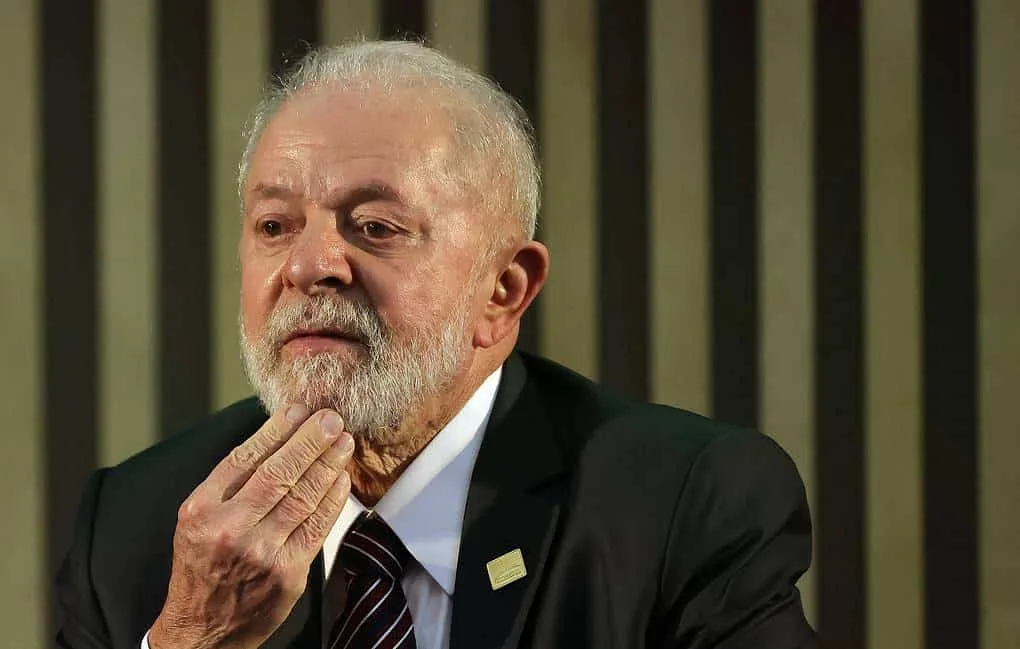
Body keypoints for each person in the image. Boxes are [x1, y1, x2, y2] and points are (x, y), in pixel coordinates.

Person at [55, 40, 817, 649]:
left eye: (375, 226)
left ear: (503, 290)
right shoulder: (139, 528)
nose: (308, 265)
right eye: (275, 225)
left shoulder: (683, 509)